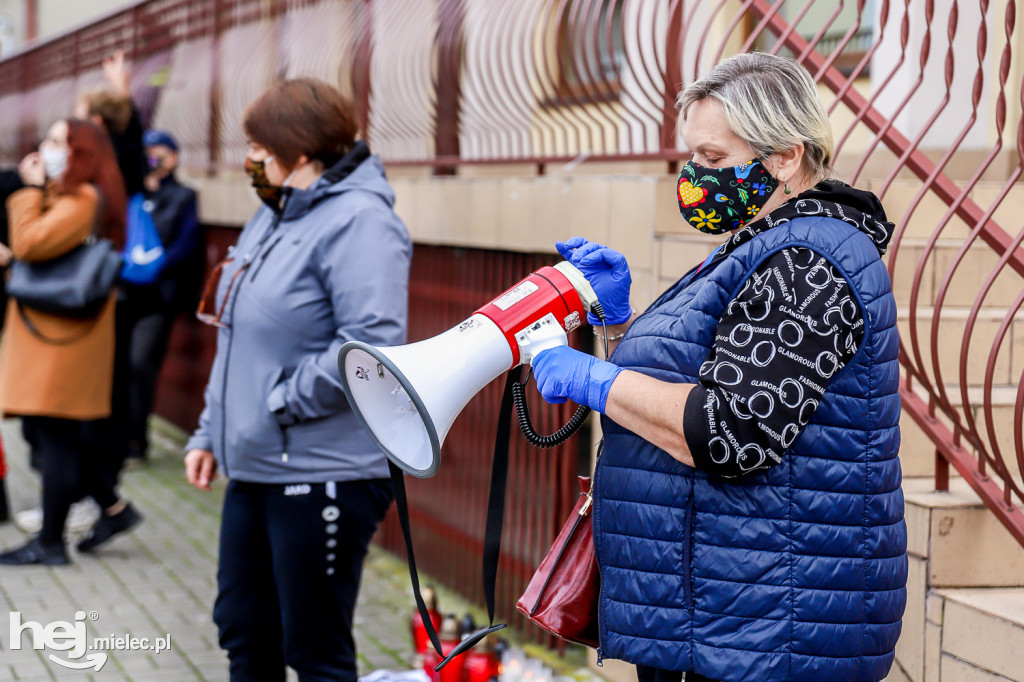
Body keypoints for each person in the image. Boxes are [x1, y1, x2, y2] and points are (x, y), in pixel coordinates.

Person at [531, 53, 906, 682]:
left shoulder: (808, 263)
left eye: (712, 159)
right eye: (691, 159)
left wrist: (592, 379)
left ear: (786, 157)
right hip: (725, 617)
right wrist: (618, 326)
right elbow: (703, 375)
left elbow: (729, 432)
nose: (694, 177)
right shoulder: (769, 242)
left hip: (761, 627)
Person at [183, 78, 410, 681]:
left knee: (313, 650)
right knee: (243, 631)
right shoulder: (273, 215)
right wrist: (211, 431)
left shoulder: (362, 222)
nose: (250, 159)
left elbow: (369, 347)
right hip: (255, 463)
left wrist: (277, 402)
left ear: (300, 152)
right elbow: (238, 339)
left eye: (259, 146)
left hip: (321, 471)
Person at [0, 119, 142, 566]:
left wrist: (27, 191)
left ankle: (49, 542)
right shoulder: (68, 197)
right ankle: (113, 509)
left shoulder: (85, 198)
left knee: (57, 435)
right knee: (57, 433)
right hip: (53, 332)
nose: (48, 148)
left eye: (60, 142)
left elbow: (31, 242)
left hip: (64, 337)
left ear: (83, 153)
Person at [115, 129, 202, 464]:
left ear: (173, 157)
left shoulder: (182, 197)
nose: (152, 157)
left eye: (158, 151)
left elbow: (187, 242)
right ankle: (120, 441)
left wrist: (155, 263)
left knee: (140, 365)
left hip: (158, 298)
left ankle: (137, 442)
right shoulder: (130, 195)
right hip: (125, 294)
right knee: (121, 368)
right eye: (146, 151)